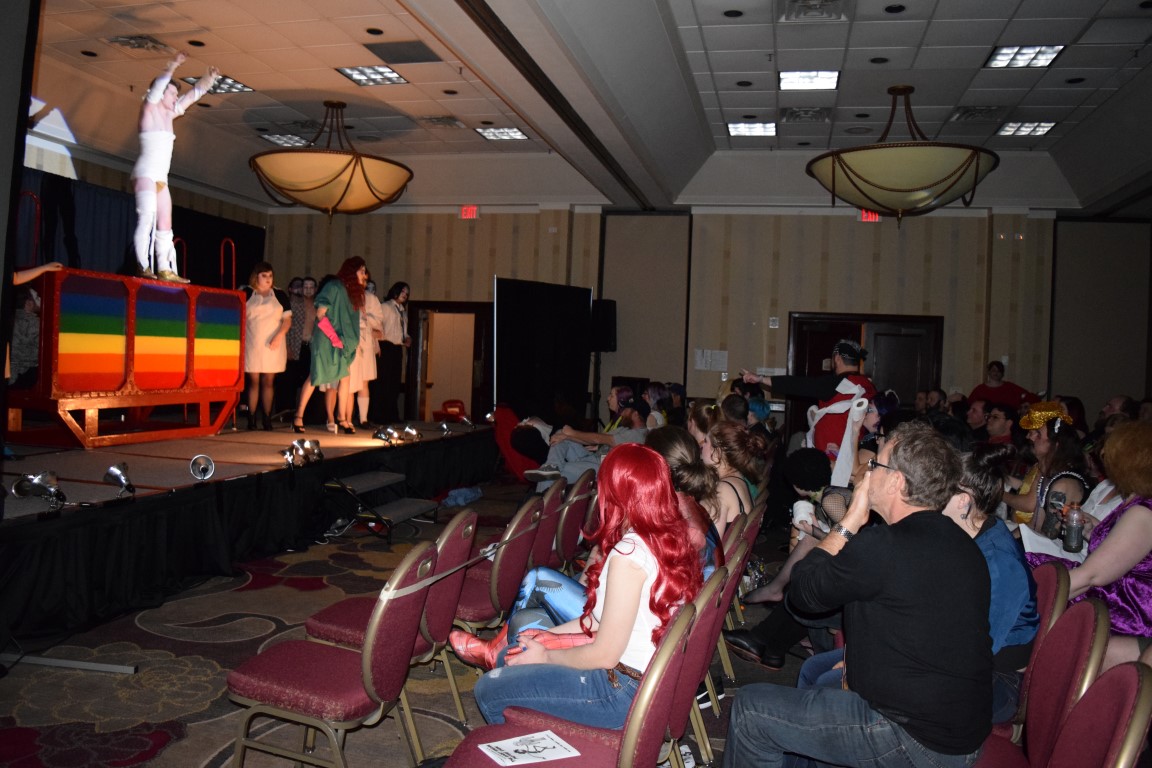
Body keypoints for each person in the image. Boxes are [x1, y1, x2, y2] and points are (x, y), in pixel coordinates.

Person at [723, 421, 992, 768]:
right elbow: (920, 629)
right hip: (957, 729)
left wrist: (849, 521)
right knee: (817, 684)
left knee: (751, 710)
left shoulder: (887, 544)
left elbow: (803, 592)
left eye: (876, 464)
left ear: (896, 481)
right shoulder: (962, 544)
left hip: (915, 738)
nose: (865, 473)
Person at [471, 443, 704, 729]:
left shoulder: (629, 555)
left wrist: (546, 656)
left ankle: (532, 742)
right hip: (643, 681)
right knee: (510, 654)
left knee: (489, 689)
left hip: (620, 692)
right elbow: (597, 620)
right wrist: (546, 636)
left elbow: (605, 654)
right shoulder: (668, 536)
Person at [449, 426, 721, 670]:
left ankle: (500, 655)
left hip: (635, 632)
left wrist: (599, 566)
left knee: (537, 580)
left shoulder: (665, 517)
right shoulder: (687, 510)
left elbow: (625, 577)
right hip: (652, 624)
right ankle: (508, 654)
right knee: (530, 614)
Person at [1027, 421, 1152, 671]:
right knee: (1032, 565)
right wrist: (1090, 527)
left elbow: (1091, 576)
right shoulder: (1137, 501)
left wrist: (1026, 599)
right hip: (1116, 593)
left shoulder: (1143, 512)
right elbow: (1122, 551)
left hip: (1124, 607)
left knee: (1032, 572)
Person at [942, 444, 1038, 723]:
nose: (931, 493)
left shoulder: (998, 560)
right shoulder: (964, 533)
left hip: (999, 679)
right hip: (963, 658)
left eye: (940, 488)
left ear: (963, 500)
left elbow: (980, 647)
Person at [131, 52, 219, 283]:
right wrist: (172, 66)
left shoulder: (170, 116)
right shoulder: (148, 110)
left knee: (165, 224)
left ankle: (164, 268)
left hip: (161, 177)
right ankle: (142, 265)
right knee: (147, 218)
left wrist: (208, 79)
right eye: (172, 93)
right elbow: (157, 89)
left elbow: (193, 95)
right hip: (145, 174)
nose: (175, 97)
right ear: (160, 94)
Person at [741, 338, 876, 486]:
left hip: (831, 459)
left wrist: (760, 379)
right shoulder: (868, 385)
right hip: (855, 455)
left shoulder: (837, 384)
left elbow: (797, 385)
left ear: (837, 358)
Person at [292, 258, 365, 434]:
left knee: (345, 376)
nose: (364, 275)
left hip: (344, 341)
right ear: (352, 271)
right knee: (316, 375)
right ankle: (298, 416)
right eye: (361, 271)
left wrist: (349, 341)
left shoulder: (352, 293)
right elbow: (321, 313)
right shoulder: (334, 286)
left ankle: (342, 418)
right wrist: (333, 337)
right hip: (326, 338)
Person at [524, 400, 650, 491]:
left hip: (602, 467)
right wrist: (567, 436)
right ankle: (552, 466)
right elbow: (593, 440)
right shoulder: (624, 429)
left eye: (626, 410)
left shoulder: (639, 435)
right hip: (593, 458)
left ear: (635, 414)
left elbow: (599, 438)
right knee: (561, 434)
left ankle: (540, 512)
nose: (622, 414)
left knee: (549, 478)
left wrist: (572, 433)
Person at [1004, 403, 1089, 533]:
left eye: (1037, 434)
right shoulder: (1047, 474)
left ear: (1056, 445)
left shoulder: (1063, 484)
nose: (1030, 437)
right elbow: (1034, 525)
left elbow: (1049, 534)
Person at [241, 262, 291, 431]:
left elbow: (287, 320)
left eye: (270, 275)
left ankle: (267, 419)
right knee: (253, 381)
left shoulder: (280, 294)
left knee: (269, 381)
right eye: (264, 275)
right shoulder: (246, 292)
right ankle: (251, 419)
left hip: (274, 343)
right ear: (256, 277)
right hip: (253, 343)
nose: (268, 279)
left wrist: (279, 336)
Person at [348, 270, 384, 429]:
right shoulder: (347, 296)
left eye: (365, 279)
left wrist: (366, 316)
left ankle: (363, 419)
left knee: (364, 382)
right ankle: (346, 418)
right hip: (351, 341)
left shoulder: (372, 299)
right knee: (349, 382)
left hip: (367, 342)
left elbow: (378, 320)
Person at [373, 281, 410, 424]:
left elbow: (402, 331)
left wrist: (407, 338)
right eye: (403, 292)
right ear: (395, 291)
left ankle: (392, 415)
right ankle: (380, 415)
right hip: (386, 346)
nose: (405, 295)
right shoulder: (386, 307)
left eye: (407, 293)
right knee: (384, 382)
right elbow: (377, 326)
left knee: (394, 383)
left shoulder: (402, 311)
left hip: (397, 348)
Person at [286, 276, 317, 432]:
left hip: (312, 347)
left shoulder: (318, 305)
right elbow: (286, 326)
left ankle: (306, 414)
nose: (308, 290)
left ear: (315, 289)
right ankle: (288, 413)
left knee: (309, 380)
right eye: (305, 287)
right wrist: (287, 347)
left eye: (311, 287)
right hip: (296, 345)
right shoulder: (294, 304)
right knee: (292, 381)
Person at [969, 360, 1038, 410]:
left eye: (999, 371)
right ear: (989, 372)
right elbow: (970, 404)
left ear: (1002, 373)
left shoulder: (1010, 387)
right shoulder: (980, 389)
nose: (996, 373)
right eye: (994, 370)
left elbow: (1029, 397)